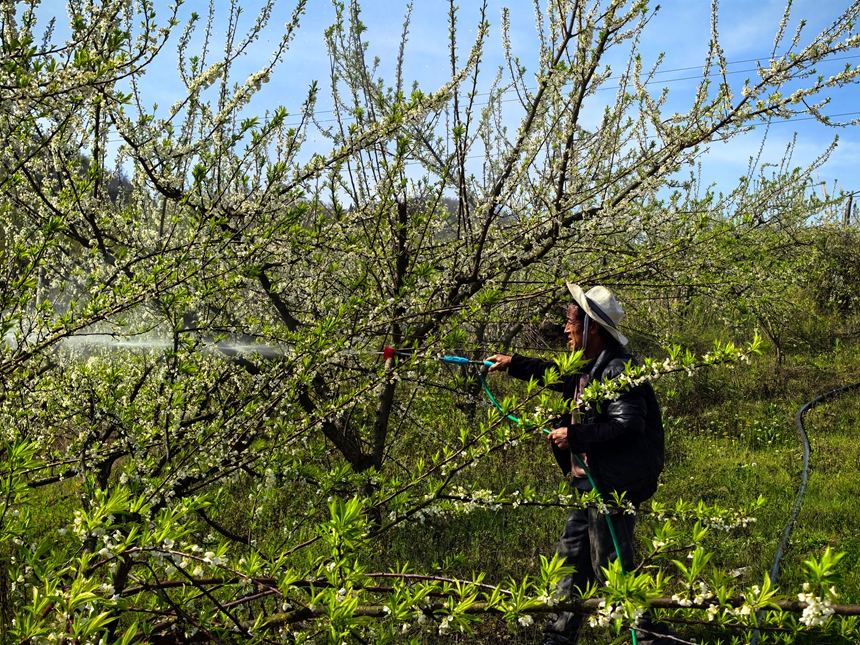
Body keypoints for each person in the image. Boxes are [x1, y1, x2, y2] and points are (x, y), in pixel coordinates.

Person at [487, 284, 673, 645]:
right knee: (571, 559)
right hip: (594, 482)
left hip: (613, 485)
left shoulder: (618, 369)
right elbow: (559, 374)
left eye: (571, 320)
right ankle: (557, 637)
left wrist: (575, 436)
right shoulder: (592, 366)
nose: (566, 327)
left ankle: (648, 637)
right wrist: (514, 364)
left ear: (594, 328)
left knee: (611, 566)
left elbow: (628, 424)